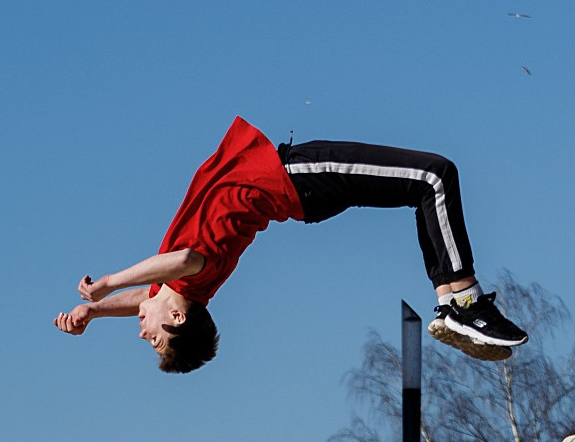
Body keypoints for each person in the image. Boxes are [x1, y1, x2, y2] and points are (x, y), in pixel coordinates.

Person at [54, 114, 528, 372]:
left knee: (423, 185)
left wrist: (95, 312)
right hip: (298, 180)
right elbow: (177, 260)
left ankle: (451, 302)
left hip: (301, 185)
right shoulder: (193, 273)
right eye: (155, 340)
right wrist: (107, 283)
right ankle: (462, 301)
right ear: (179, 318)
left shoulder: (182, 292)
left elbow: (147, 294)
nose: (142, 332)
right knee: (433, 176)